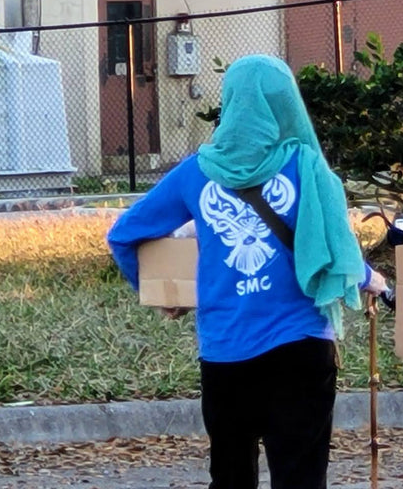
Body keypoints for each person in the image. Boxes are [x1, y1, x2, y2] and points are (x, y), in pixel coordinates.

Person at [107, 55, 387, 489]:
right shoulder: (306, 166)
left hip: (225, 351)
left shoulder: (195, 173)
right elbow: (334, 249)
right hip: (301, 346)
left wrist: (164, 291)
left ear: (231, 103)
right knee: (300, 478)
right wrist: (372, 280)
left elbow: (124, 235)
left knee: (232, 477)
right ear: (286, 103)